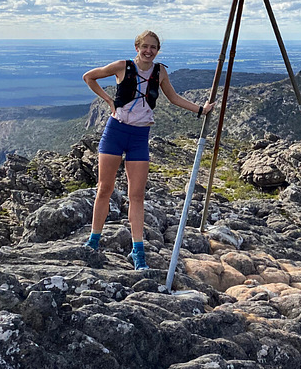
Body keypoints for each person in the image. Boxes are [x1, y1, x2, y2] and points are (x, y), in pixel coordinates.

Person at [82, 30, 214, 269]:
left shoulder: (160, 71)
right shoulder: (123, 66)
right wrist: (109, 101)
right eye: (145, 46)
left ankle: (138, 252)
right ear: (137, 47)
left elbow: (173, 97)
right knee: (105, 188)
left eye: (153, 47)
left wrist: (199, 110)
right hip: (115, 131)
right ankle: (93, 241)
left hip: (140, 135)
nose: (149, 51)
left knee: (137, 195)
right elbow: (89, 77)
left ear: (157, 50)